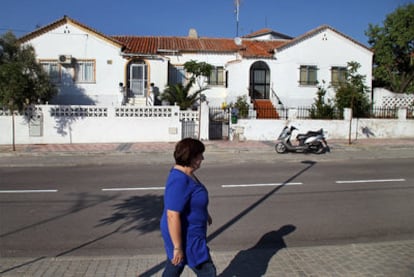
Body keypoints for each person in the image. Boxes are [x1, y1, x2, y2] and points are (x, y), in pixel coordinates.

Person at [160, 138, 217, 277]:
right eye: (200, 155)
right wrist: (178, 247)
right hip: (187, 235)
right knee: (207, 270)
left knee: (175, 264)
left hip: (188, 232)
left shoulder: (187, 173)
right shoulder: (180, 180)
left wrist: (204, 213)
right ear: (191, 157)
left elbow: (191, 200)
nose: (202, 158)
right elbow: (172, 215)